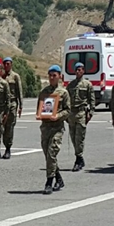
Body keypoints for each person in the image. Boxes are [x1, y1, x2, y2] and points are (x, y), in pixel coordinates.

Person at [38, 65, 71, 194]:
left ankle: (49, 182)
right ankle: (58, 178)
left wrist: (58, 116)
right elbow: (40, 108)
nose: (52, 78)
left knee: (52, 153)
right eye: (50, 75)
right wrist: (40, 115)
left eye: (54, 75)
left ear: (59, 77)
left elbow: (68, 110)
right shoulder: (44, 92)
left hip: (57, 127)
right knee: (48, 155)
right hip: (45, 127)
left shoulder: (64, 93)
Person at [66, 62, 96, 172]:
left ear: (83, 71)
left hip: (81, 113)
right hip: (71, 114)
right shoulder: (70, 85)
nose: (78, 71)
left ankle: (78, 159)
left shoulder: (87, 84)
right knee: (73, 137)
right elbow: (66, 99)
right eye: (77, 69)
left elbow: (92, 100)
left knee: (80, 138)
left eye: (80, 69)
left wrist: (91, 112)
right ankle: (80, 157)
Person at [2, 57, 23, 159]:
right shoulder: (1, 76)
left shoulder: (15, 76)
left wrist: (20, 106)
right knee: (1, 127)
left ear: (11, 64)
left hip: (12, 104)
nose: (6, 65)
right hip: (2, 105)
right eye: (5, 64)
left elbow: (19, 91)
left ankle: (8, 148)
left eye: (8, 64)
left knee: (9, 127)